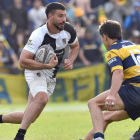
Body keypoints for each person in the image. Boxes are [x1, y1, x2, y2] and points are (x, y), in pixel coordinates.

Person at [0, 2, 79, 140]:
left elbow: (75, 46)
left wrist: (70, 60)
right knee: (42, 99)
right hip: (35, 71)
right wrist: (47, 66)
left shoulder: (69, 30)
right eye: (60, 16)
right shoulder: (38, 34)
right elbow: (22, 61)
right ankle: (19, 137)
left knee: (29, 116)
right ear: (50, 16)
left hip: (51, 76)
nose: (64, 19)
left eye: (64, 16)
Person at [82, 20, 140, 140]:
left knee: (93, 103)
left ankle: (98, 138)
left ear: (104, 37)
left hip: (135, 91)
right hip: (136, 93)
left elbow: (118, 72)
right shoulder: (135, 46)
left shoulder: (113, 50)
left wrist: (112, 95)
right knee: (107, 116)